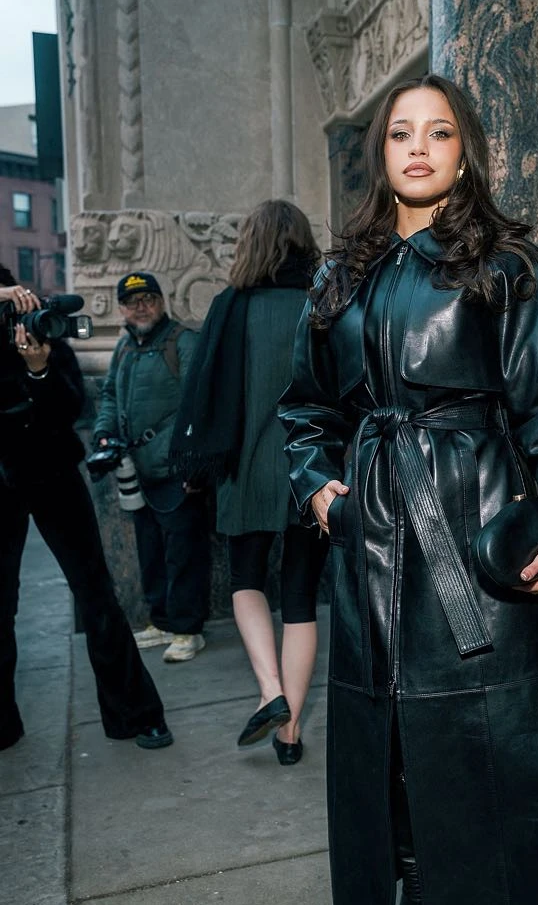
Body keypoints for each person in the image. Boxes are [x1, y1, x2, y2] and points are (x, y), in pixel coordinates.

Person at [278, 75, 538, 905]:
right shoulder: (339, 275)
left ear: (465, 153)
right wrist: (319, 487)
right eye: (400, 134)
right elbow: (303, 411)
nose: (418, 148)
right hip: (372, 530)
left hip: (477, 527)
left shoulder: (507, 264)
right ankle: (413, 899)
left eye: (440, 133)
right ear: (379, 153)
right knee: (388, 748)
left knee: (473, 745)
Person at [171, 201, 328, 764]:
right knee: (302, 599)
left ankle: (270, 692)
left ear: (251, 244)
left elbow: (202, 393)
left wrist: (192, 463)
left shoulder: (230, 307)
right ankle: (290, 739)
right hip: (313, 474)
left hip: (245, 470)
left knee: (245, 582)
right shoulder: (323, 303)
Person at [0, 271, 173, 751]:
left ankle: (136, 715)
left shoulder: (42, 333)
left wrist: (38, 370)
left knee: (96, 593)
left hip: (52, 474)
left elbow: (70, 407)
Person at [93, 272, 209, 662]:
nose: (140, 306)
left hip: (177, 472)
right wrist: (104, 433)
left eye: (148, 298)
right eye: (131, 301)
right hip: (137, 473)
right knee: (150, 552)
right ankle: (161, 621)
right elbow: (109, 395)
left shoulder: (183, 342)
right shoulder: (125, 347)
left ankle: (188, 629)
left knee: (183, 554)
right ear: (122, 309)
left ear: (161, 302)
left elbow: (201, 406)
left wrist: (194, 465)